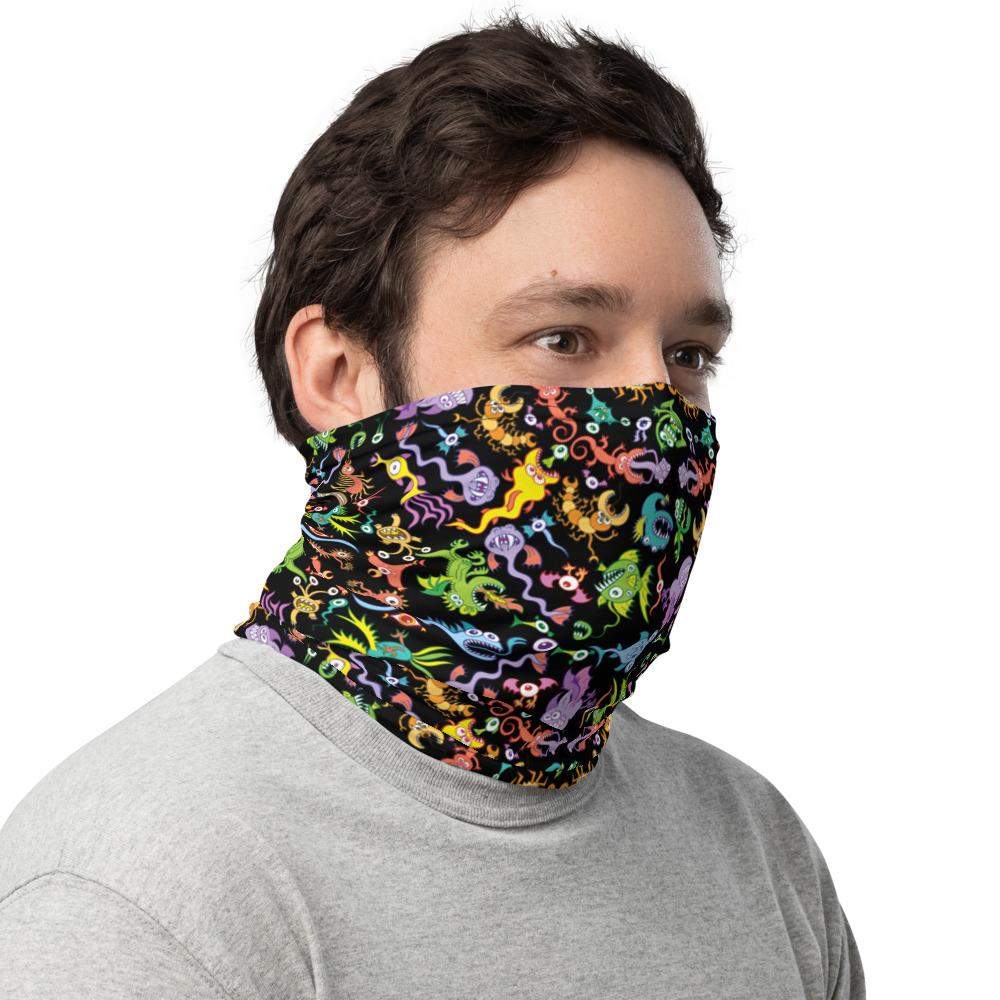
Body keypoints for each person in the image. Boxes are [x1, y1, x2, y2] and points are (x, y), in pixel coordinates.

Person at [0, 14, 864, 999]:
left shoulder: (757, 851)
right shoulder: (144, 896)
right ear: (339, 375)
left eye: (688, 354)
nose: (654, 415)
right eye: (564, 339)